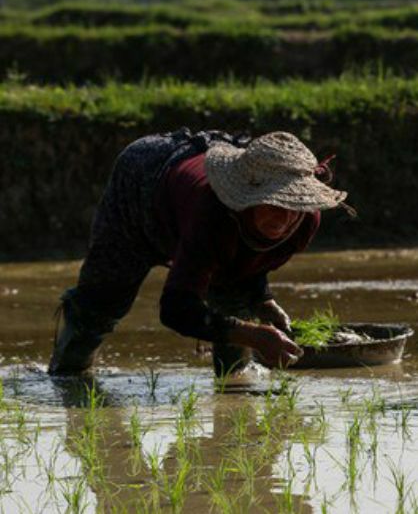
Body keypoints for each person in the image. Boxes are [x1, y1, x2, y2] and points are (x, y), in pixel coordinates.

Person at [48, 129, 348, 377]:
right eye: (273, 205)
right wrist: (255, 336)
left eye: (293, 206)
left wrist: (262, 299)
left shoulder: (306, 220)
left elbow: (249, 262)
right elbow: (176, 309)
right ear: (246, 199)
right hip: (142, 190)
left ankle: (233, 392)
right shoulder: (212, 212)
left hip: (195, 215)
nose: (284, 220)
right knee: (100, 304)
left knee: (235, 305)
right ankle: (67, 376)